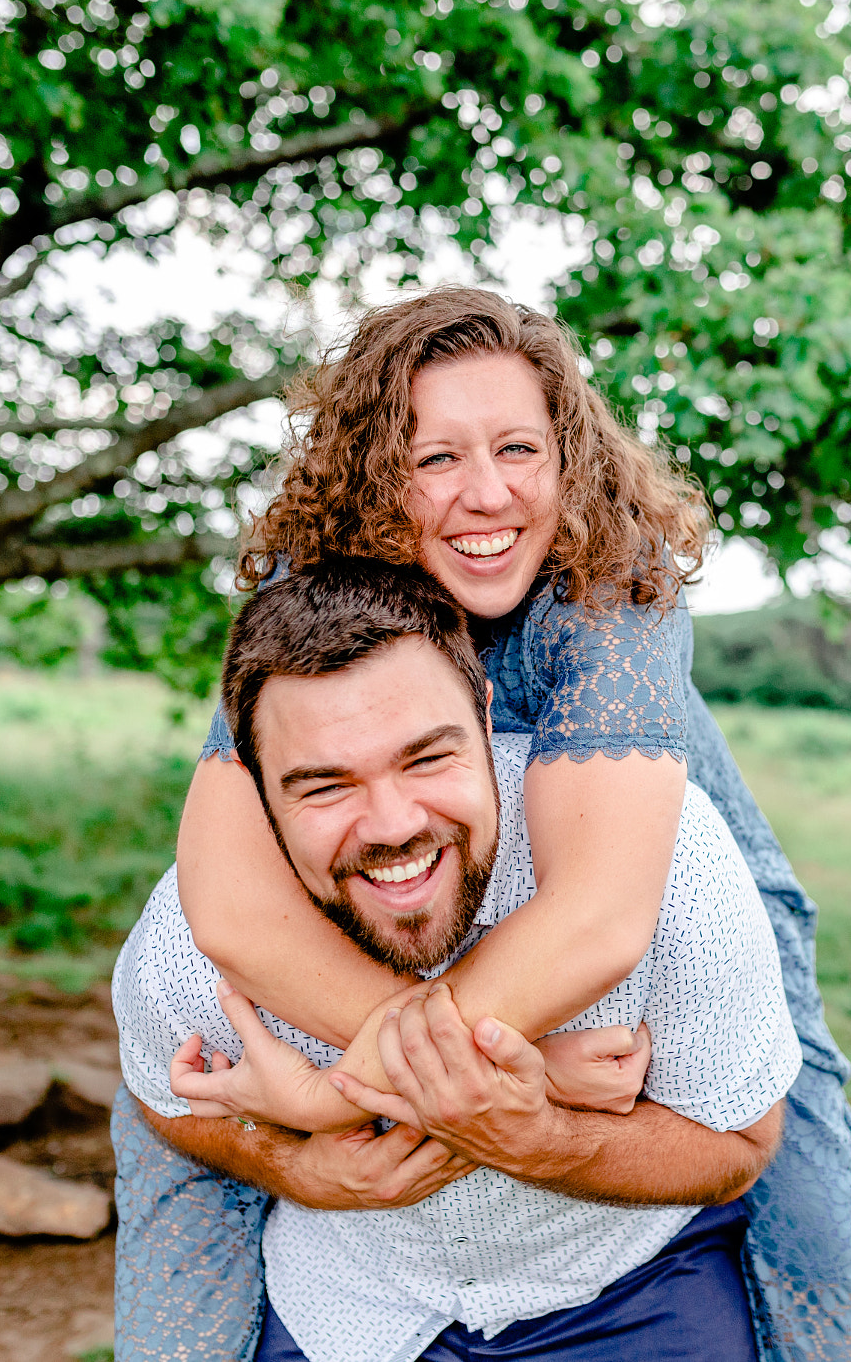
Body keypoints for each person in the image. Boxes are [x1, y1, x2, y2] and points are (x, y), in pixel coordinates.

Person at [111, 288, 851, 1361]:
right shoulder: (315, 600)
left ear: (567, 458)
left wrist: (339, 1096)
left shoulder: (610, 588)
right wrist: (514, 1083)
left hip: (657, 875)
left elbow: (599, 922)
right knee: (172, 1139)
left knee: (800, 1177)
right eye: (433, 460)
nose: (485, 495)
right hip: (419, 892)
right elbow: (234, 907)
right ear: (374, 473)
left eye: (518, 448)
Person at [115, 560, 802, 1362]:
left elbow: (742, 1143)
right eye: (325, 785)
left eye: (426, 759)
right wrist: (293, 1166)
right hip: (348, 1306)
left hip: (628, 1286)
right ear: (252, 785)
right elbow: (161, 1092)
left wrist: (544, 1138)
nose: (393, 824)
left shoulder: (664, 859)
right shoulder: (192, 924)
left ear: (483, 714)